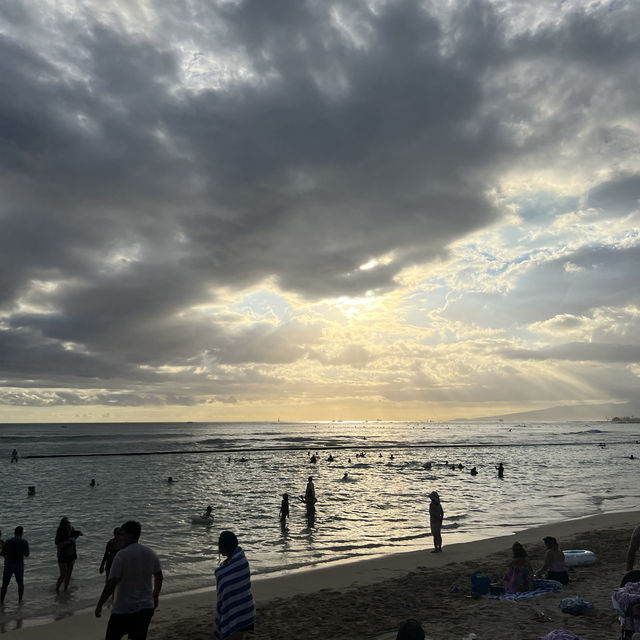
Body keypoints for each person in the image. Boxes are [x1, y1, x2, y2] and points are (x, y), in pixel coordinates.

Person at [95, 520, 163, 640]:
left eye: (122, 534)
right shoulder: (150, 552)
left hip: (124, 609)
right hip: (146, 607)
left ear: (130, 536)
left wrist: (100, 604)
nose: (119, 538)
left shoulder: (121, 555)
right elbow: (159, 576)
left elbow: (111, 583)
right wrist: (155, 595)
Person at [214, 531, 255, 640]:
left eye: (220, 545)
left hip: (242, 611)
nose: (219, 548)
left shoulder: (241, 562)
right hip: (245, 610)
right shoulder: (226, 567)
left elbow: (227, 592)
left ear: (225, 546)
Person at [1, 526, 29, 604]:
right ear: (22, 533)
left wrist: (7, 556)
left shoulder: (8, 541)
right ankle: (20, 601)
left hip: (8, 564)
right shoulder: (24, 542)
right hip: (19, 565)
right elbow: (27, 554)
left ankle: (1, 602)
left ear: (14, 532)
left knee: (5, 584)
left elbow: (2, 553)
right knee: (20, 583)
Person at [55, 517, 83, 592]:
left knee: (69, 574)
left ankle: (65, 589)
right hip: (62, 556)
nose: (69, 526)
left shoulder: (73, 532)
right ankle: (57, 589)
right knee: (63, 575)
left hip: (72, 555)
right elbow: (57, 544)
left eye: (69, 525)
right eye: (67, 525)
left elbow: (81, 533)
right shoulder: (60, 534)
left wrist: (77, 533)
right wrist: (65, 542)